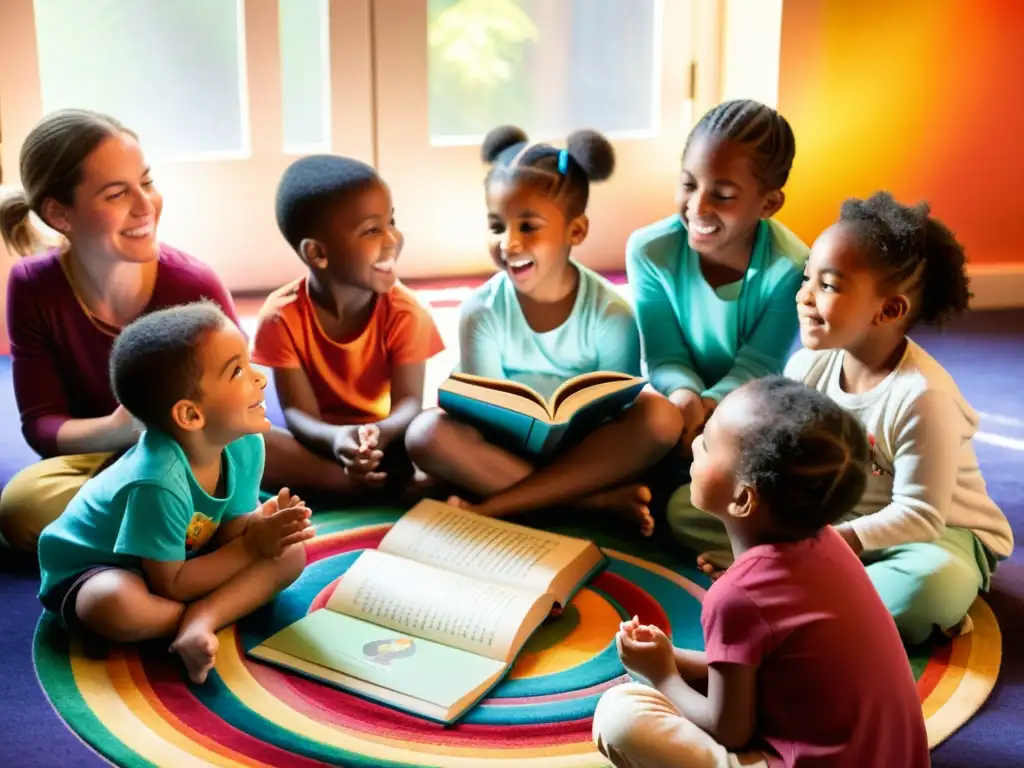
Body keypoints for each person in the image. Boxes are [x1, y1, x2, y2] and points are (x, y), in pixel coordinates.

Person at [592, 377, 930, 768]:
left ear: (742, 498)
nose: (697, 441)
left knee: (621, 717)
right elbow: (765, 671)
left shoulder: (737, 596)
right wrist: (670, 657)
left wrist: (664, 675)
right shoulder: (829, 544)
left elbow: (728, 730)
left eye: (709, 442)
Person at [405, 126, 683, 533]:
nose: (509, 243)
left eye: (528, 227)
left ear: (576, 231)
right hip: (506, 450)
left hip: (585, 455)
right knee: (425, 434)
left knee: (661, 416)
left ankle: (498, 503)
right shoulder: (481, 311)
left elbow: (617, 415)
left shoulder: (612, 315)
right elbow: (482, 415)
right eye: (497, 226)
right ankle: (592, 504)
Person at [0, 109, 240, 553]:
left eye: (146, 183)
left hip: (189, 459)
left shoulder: (194, 285)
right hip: (98, 463)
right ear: (59, 214)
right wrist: (117, 429)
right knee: (20, 506)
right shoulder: (32, 286)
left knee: (239, 466)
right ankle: (181, 534)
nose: (145, 205)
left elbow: (242, 410)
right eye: (116, 194)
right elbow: (42, 425)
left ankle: (148, 534)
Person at [36, 303, 311, 684]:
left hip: (185, 558)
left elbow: (229, 531)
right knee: (114, 604)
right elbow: (172, 583)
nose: (259, 378)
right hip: (104, 568)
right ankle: (200, 616)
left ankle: (203, 619)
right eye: (237, 371)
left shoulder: (245, 444)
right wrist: (252, 548)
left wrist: (260, 527)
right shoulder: (157, 482)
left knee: (291, 550)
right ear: (191, 416)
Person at [626, 100, 808, 548]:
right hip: (675, 408)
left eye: (723, 195)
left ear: (768, 203)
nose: (697, 205)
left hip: (750, 410)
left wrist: (709, 407)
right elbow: (664, 354)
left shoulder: (790, 265)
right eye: (688, 184)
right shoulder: (649, 251)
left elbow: (759, 365)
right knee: (646, 429)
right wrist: (686, 396)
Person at [250, 155, 445, 500]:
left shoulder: (406, 312)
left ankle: (356, 483)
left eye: (392, 221)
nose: (393, 238)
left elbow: (409, 403)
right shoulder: (281, 316)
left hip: (388, 442)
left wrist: (376, 434)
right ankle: (364, 486)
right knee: (243, 438)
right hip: (317, 443)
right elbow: (298, 414)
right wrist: (337, 440)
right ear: (317, 253)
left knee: (431, 433)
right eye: (372, 230)